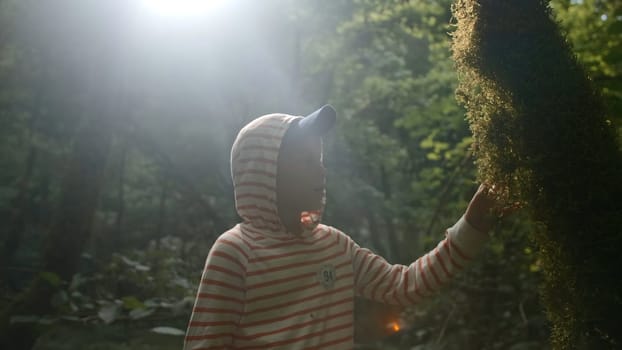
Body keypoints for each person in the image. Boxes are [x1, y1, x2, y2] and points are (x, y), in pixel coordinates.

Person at [184, 105, 502, 349]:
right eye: (306, 162)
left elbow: (405, 286)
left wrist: (471, 226)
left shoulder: (334, 245)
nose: (320, 173)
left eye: (320, 161)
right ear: (265, 173)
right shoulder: (235, 251)